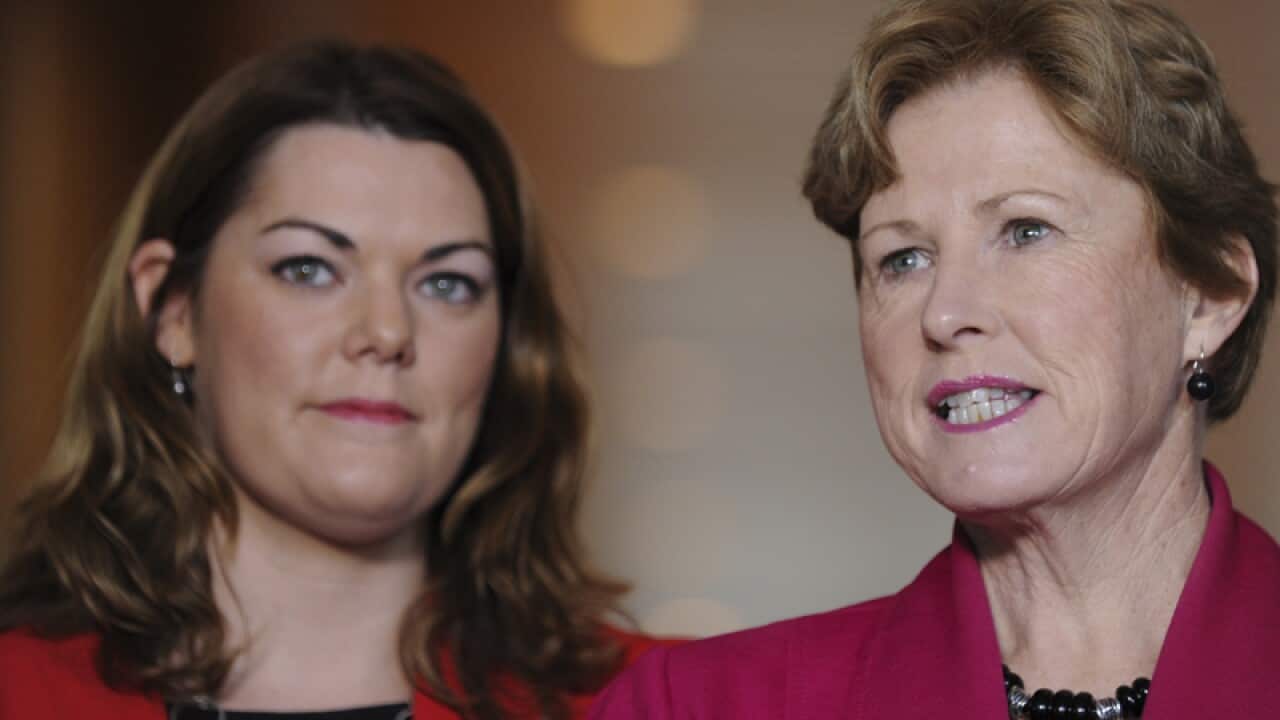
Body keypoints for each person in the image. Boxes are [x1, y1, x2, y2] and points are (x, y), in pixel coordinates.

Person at [589, 0, 1280, 717]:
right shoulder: (698, 706)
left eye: (1026, 230)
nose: (945, 314)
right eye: (903, 258)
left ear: (1209, 296)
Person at [0, 41, 668, 720]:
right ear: (173, 312)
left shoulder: (661, 700)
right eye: (308, 269)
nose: (386, 332)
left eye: (447, 283)